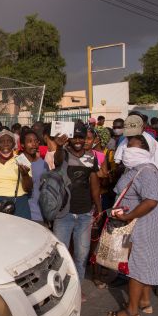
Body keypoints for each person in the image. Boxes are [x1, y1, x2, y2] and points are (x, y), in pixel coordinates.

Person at [107, 135, 158, 316]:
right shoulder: (136, 169)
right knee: (144, 262)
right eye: (127, 146)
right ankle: (144, 302)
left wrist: (129, 216)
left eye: (132, 147)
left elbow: (151, 201)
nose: (127, 150)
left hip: (140, 224)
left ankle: (131, 311)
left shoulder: (146, 170)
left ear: (144, 151)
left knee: (136, 265)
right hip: (138, 222)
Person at [53, 122, 102, 288]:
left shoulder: (91, 158)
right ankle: (60, 288)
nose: (78, 140)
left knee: (81, 256)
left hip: (85, 214)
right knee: (61, 255)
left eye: (81, 137)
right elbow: (57, 161)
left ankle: (77, 290)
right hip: (63, 214)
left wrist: (99, 210)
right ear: (70, 138)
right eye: (75, 137)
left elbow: (94, 185)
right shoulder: (63, 154)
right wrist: (59, 147)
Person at [20, 128, 48, 224]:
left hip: (38, 214)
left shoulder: (43, 164)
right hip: (21, 213)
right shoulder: (17, 162)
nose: (34, 144)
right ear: (22, 145)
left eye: (36, 141)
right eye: (30, 141)